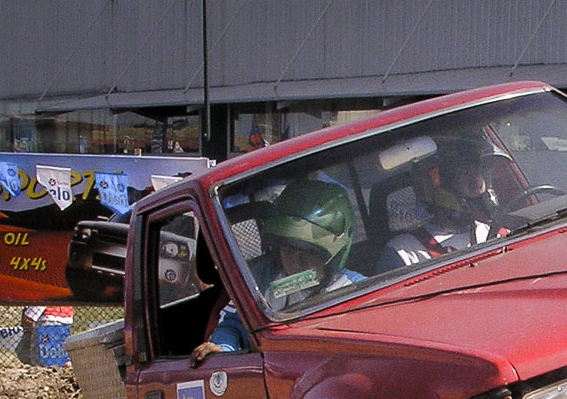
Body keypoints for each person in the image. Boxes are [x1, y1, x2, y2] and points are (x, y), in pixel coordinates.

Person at [191, 179, 365, 366]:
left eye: (308, 252)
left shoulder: (357, 289)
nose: (296, 261)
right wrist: (224, 348)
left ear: (333, 255)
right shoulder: (260, 281)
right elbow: (233, 324)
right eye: (288, 250)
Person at [377, 138, 501, 270]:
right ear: (432, 185)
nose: (478, 184)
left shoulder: (503, 234)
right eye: (464, 173)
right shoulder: (405, 253)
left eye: (478, 171)